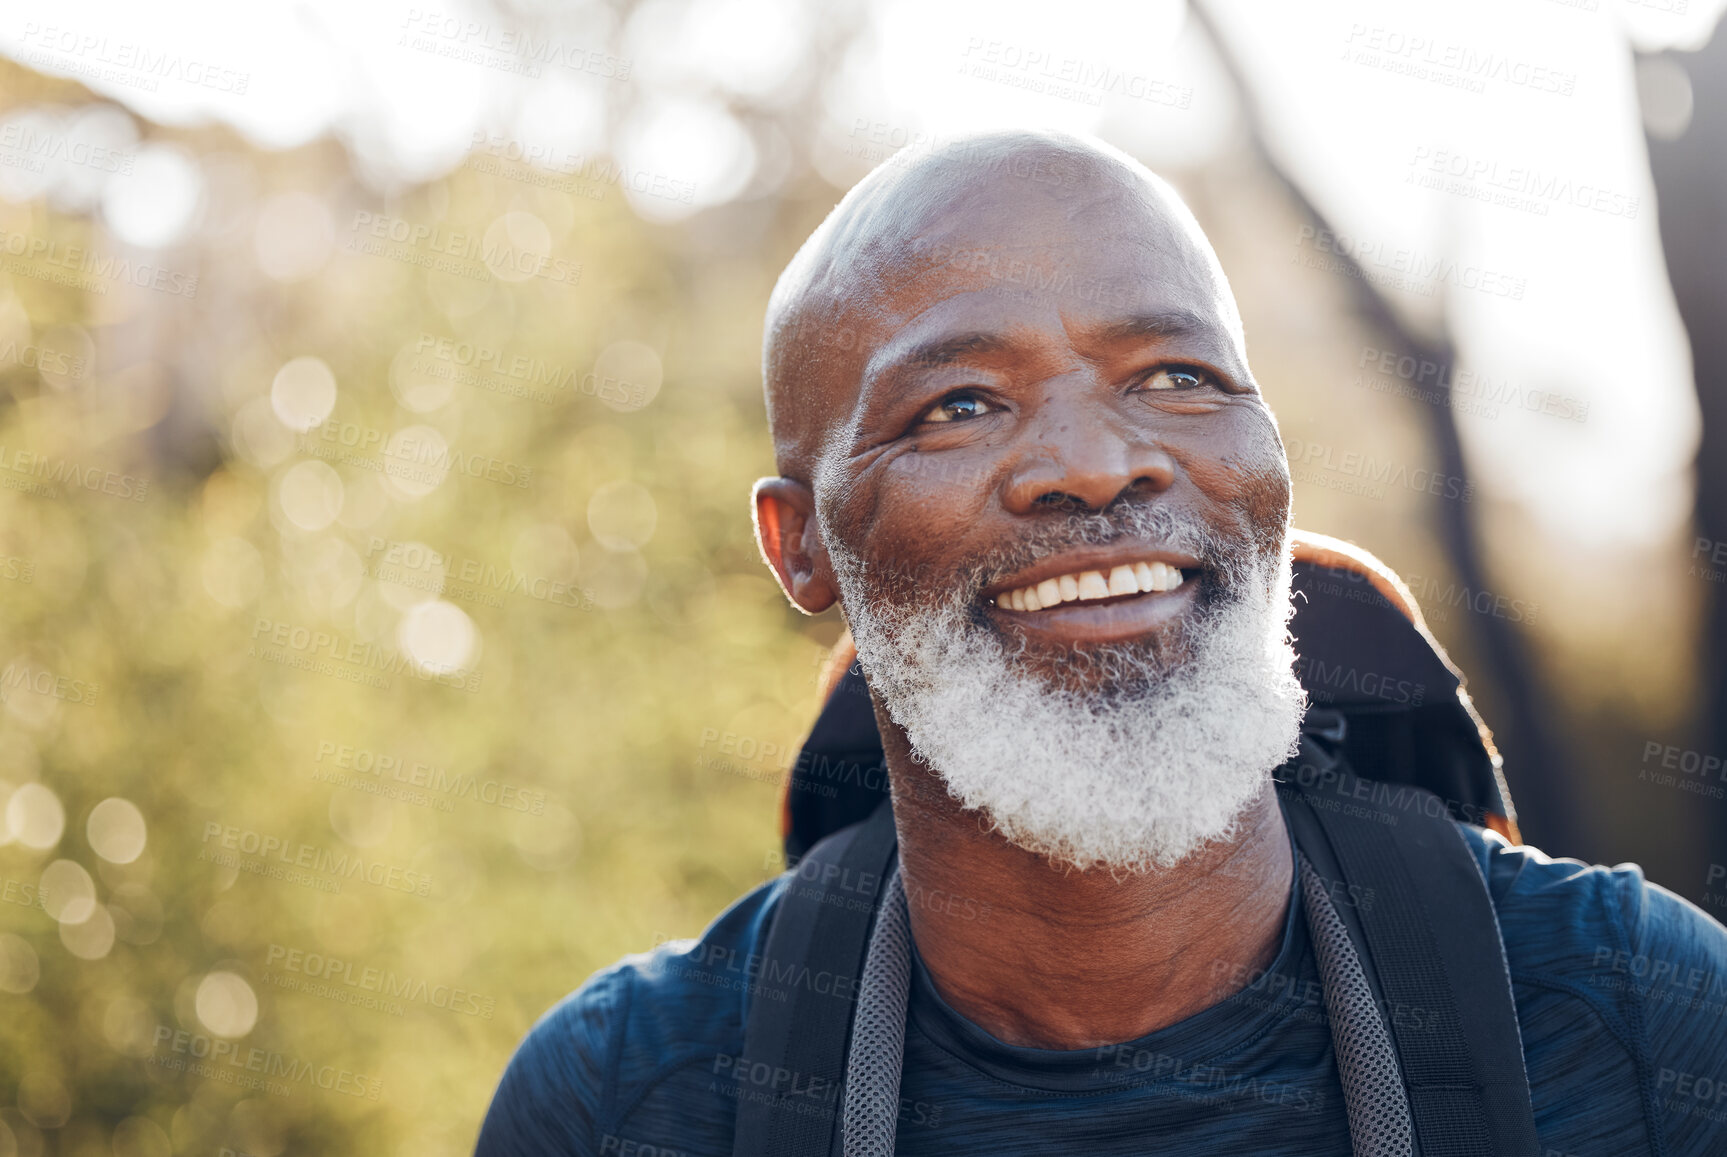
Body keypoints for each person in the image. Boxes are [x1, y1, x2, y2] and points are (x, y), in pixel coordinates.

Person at [473, 131, 1727, 1156]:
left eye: (1175, 377)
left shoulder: (1642, 1020)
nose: (1093, 461)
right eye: (957, 404)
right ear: (797, 546)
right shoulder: (625, 1101)